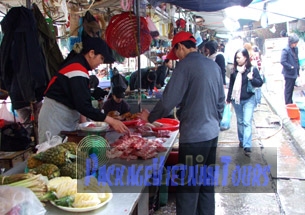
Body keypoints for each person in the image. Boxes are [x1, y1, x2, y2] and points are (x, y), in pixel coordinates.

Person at [139, 31, 225, 215]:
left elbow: (168, 100)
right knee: (206, 185)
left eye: (175, 52)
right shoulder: (213, 65)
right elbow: (221, 101)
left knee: (188, 189)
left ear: (181, 47)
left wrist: (150, 118)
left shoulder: (184, 66)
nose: (175, 57)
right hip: (212, 135)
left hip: (194, 137)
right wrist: (213, 121)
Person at [38, 36, 129, 144]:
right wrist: (112, 121)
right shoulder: (77, 69)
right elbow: (84, 106)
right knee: (50, 152)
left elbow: (79, 101)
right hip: (55, 118)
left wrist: (84, 124)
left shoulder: (79, 67)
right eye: (101, 58)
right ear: (91, 53)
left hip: (63, 116)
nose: (101, 63)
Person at [226, 48, 263, 155]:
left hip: (249, 99)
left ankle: (247, 145)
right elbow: (231, 86)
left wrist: (251, 79)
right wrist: (228, 99)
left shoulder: (252, 70)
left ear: (245, 57)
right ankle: (242, 140)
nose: (237, 60)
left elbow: (259, 83)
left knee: (247, 122)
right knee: (240, 121)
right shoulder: (234, 71)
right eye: (236, 58)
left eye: (239, 57)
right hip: (236, 100)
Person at [280, 34, 300, 105]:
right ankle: (288, 104)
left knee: (292, 89)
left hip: (295, 72)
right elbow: (283, 61)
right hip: (288, 73)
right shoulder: (286, 50)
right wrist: (290, 67)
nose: (296, 44)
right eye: (295, 43)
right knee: (288, 89)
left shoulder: (296, 49)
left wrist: (298, 71)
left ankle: (291, 103)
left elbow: (297, 60)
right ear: (291, 42)